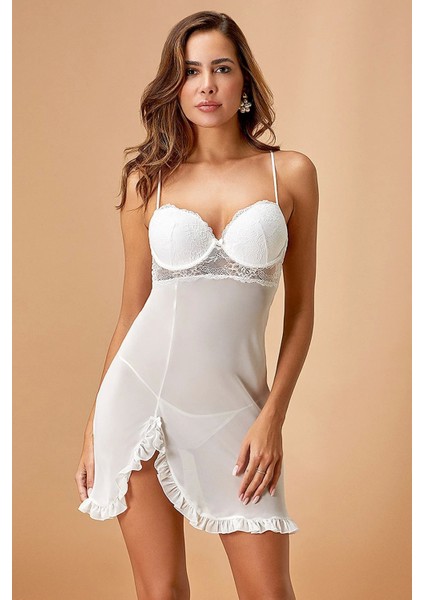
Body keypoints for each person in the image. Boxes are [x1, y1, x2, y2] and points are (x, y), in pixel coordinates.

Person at [75, 10, 318, 600]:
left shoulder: (289, 173)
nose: (206, 85)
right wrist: (92, 428)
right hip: (139, 402)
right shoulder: (147, 181)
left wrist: (272, 418)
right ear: (175, 85)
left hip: (236, 410)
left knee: (269, 592)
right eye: (190, 71)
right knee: (161, 591)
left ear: (244, 81)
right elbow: (132, 310)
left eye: (221, 68)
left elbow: (302, 313)